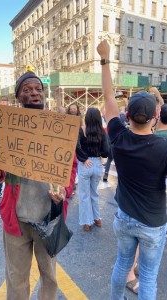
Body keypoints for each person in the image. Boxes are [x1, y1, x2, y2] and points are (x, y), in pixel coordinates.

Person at [0, 71, 77, 300]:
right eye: (27, 90)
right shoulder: (8, 128)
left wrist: (65, 190)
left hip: (48, 217)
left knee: (50, 277)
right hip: (16, 219)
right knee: (16, 278)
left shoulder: (59, 127)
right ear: (18, 97)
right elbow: (2, 170)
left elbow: (71, 167)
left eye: (37, 89)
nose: (34, 93)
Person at [97, 39, 167, 300]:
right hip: (153, 222)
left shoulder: (118, 136)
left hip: (124, 218)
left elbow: (107, 96)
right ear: (155, 115)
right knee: (148, 276)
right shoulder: (162, 149)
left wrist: (105, 59)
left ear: (127, 116)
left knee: (122, 265)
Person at [76, 107, 109, 231]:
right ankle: (97, 218)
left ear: (87, 118)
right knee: (94, 193)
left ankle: (87, 222)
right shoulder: (102, 132)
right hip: (97, 164)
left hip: (85, 164)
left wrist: (84, 159)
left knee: (84, 195)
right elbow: (106, 151)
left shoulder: (81, 130)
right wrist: (100, 156)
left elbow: (77, 146)